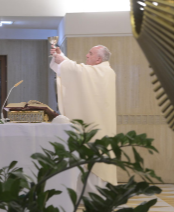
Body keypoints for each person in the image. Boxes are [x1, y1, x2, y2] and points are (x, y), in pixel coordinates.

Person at [49, 45, 117, 196]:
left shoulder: (105, 71)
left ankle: (96, 193)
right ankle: (84, 193)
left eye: (90, 53)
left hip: (99, 126)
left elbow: (78, 72)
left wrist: (62, 61)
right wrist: (62, 59)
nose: (86, 55)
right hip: (94, 122)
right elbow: (78, 73)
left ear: (98, 59)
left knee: (96, 156)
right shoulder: (98, 72)